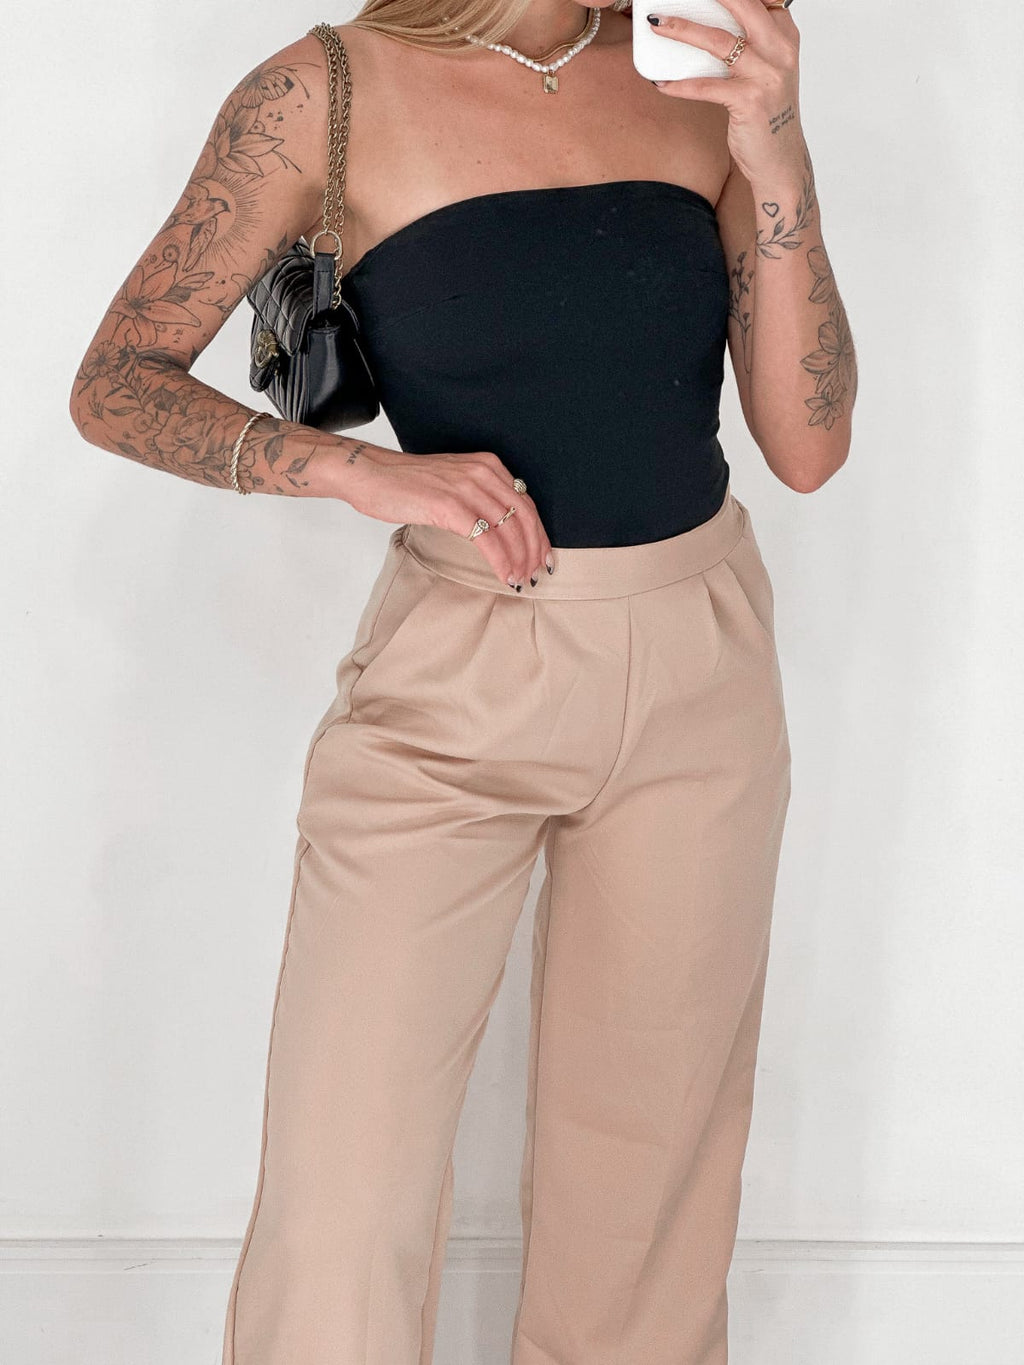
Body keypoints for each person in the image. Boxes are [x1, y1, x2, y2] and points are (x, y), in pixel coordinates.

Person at [68, 0, 856, 1359]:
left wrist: (775, 145)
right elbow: (116, 381)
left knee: (649, 1188)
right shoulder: (323, 91)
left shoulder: (697, 85)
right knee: (345, 1180)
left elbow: (809, 445)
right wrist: (355, 469)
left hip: (701, 666)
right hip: (453, 669)